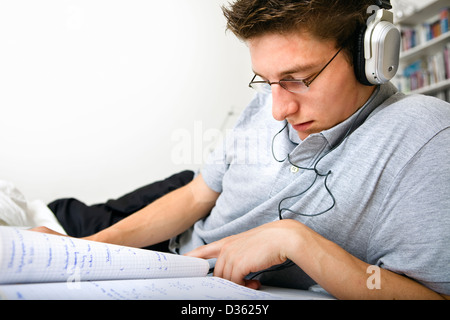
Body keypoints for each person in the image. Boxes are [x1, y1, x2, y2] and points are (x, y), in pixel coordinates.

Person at [35, 0, 450, 300]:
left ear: (372, 55)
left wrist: (297, 240)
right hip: (183, 209)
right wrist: (93, 247)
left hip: (186, 257)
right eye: (266, 81)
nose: (278, 109)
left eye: (299, 78)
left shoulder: (424, 138)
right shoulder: (269, 104)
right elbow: (199, 194)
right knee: (62, 215)